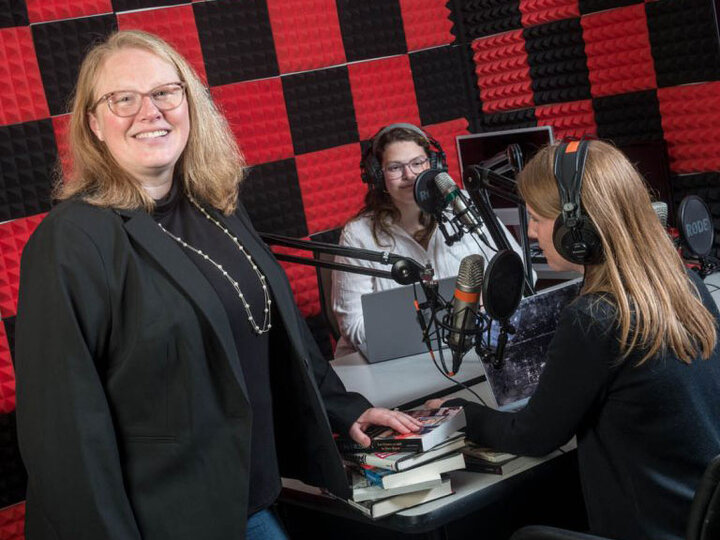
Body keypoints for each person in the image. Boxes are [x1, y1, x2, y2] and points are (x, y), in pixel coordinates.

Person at [14, 30, 421, 540]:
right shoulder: (70, 241)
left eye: (165, 92)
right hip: (163, 522)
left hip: (254, 502)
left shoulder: (217, 205)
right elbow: (64, 435)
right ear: (94, 124)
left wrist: (346, 410)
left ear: (189, 102)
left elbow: (281, 332)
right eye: (123, 99)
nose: (150, 111)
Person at [428, 139, 720, 540]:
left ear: (577, 227)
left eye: (535, 217)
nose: (530, 231)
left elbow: (534, 436)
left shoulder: (595, 317)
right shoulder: (685, 283)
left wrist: (460, 412)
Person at [332, 123, 527, 357]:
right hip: (395, 360)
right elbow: (354, 326)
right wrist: (438, 327)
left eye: (417, 163)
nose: (409, 175)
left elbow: (522, 272)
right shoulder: (358, 235)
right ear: (377, 175)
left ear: (433, 165)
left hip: (472, 349)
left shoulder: (463, 205)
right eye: (395, 167)